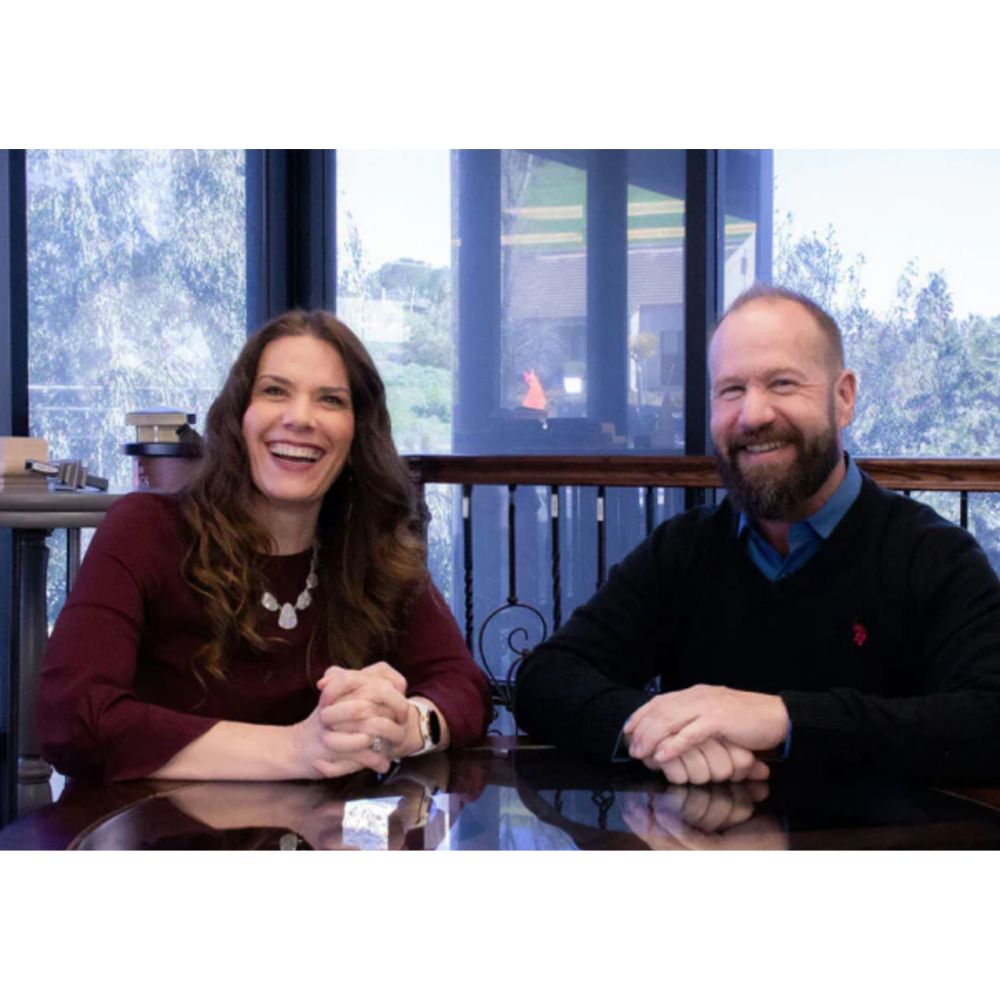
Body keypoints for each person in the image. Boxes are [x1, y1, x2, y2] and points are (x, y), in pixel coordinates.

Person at [516, 286, 1000, 787]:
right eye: (731, 390)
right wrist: (656, 735)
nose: (753, 415)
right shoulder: (682, 550)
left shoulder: (933, 556)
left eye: (783, 383)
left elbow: (988, 718)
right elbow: (546, 677)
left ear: (844, 397)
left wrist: (781, 719)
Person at [38, 311, 492, 783]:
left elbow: (465, 686)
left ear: (358, 434)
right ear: (239, 416)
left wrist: (406, 725)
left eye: (331, 400)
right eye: (275, 391)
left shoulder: (375, 550)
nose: (300, 419)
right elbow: (72, 719)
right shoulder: (144, 529)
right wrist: (298, 748)